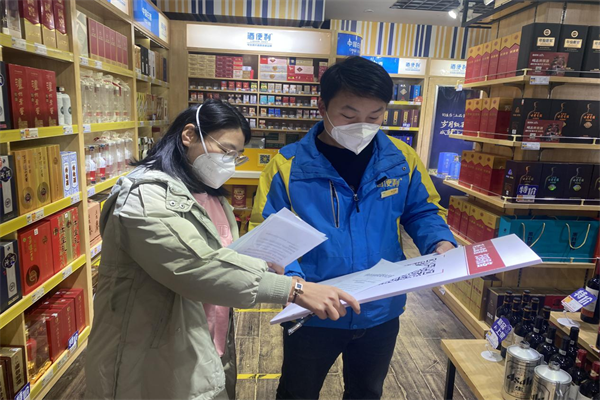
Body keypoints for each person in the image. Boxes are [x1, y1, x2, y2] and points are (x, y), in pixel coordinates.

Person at [84, 100, 360, 400]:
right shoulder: (144, 196)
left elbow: (223, 256)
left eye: (236, 156)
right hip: (150, 353)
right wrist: (293, 290)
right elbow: (195, 267)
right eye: (226, 151)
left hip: (202, 343)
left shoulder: (211, 197)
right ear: (189, 135)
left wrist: (263, 260)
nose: (229, 162)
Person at [250, 57, 456, 400]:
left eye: (375, 116)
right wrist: (299, 287)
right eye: (349, 115)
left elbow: (422, 210)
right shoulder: (287, 166)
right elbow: (269, 235)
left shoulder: (401, 159)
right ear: (323, 108)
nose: (362, 125)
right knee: (297, 392)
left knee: (367, 392)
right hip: (314, 310)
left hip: (380, 309)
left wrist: (440, 243)